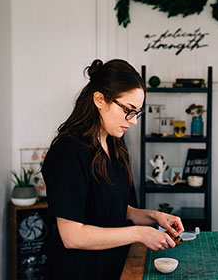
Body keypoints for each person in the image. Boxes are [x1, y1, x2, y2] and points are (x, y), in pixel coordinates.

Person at [41, 59, 184, 279]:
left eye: (137, 113)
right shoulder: (67, 152)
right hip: (78, 272)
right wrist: (139, 233)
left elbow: (111, 208)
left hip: (115, 268)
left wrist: (155, 217)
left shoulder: (114, 144)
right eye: (128, 110)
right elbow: (72, 236)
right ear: (99, 99)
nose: (133, 121)